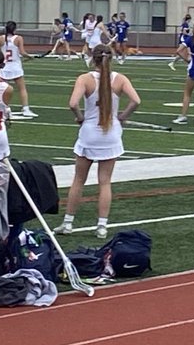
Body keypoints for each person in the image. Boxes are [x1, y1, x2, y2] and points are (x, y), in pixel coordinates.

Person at [56, 47, 141, 239]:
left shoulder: (84, 79)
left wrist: (80, 117)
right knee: (105, 182)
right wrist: (122, 117)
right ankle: (102, 226)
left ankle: (68, 222)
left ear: (92, 59)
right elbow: (136, 100)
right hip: (110, 134)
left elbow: (72, 103)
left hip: (89, 134)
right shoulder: (120, 79)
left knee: (79, 179)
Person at [0, 21, 35, 118]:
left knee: (0, 89)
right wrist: (30, 57)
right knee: (22, 89)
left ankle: (3, 108)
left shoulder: (0, 39)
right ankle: (25, 108)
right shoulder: (18, 38)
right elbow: (22, 52)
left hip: (3, 67)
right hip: (15, 67)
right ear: (14, 29)